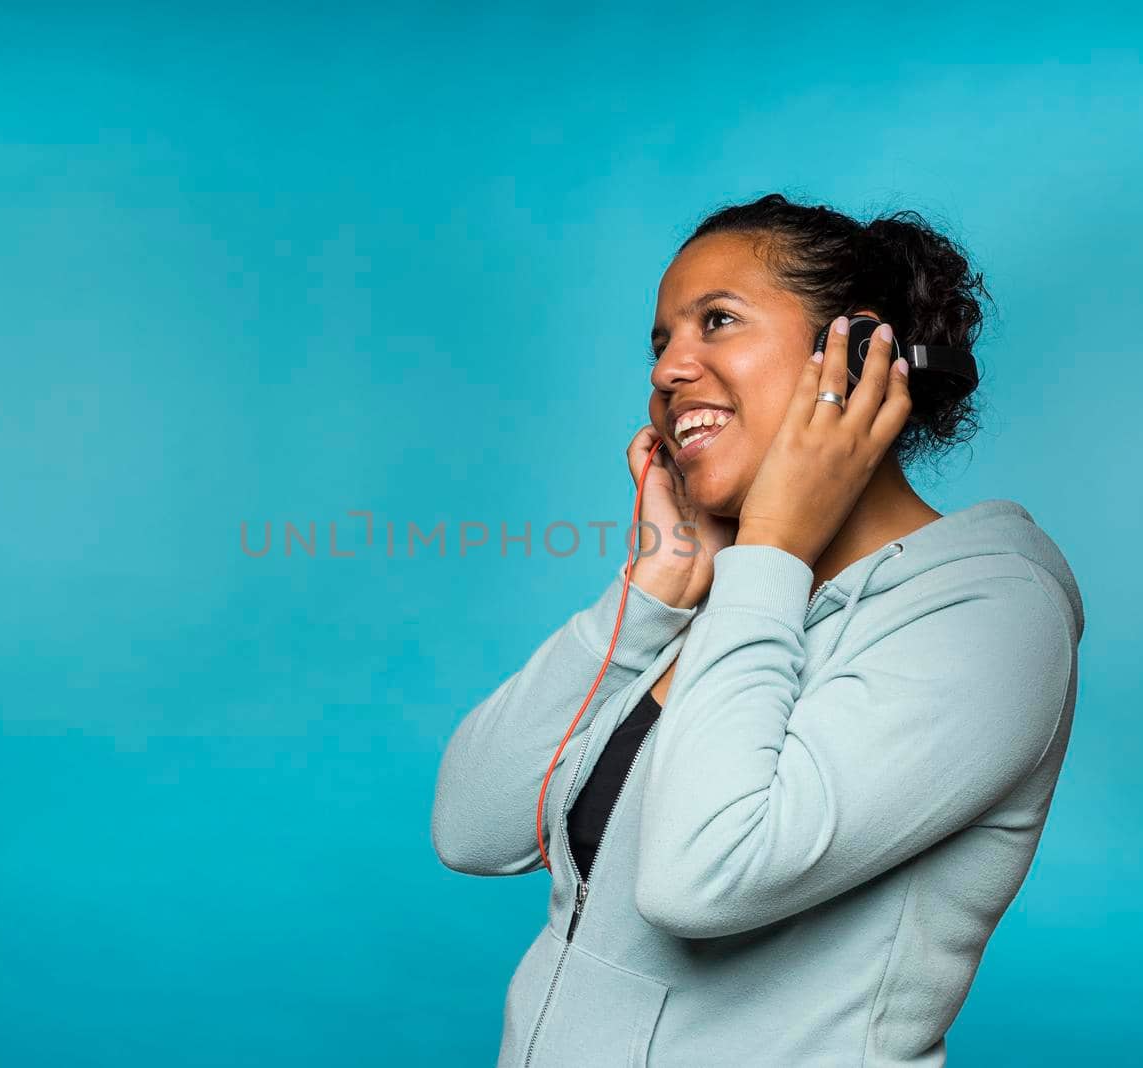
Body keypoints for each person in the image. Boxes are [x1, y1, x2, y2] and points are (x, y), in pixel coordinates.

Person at [430, 193, 1085, 1067]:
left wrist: (770, 550)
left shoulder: (994, 616)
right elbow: (474, 828)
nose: (669, 370)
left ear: (856, 358)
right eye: (661, 343)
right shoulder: (727, 598)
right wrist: (652, 593)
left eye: (718, 322)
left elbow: (702, 881)